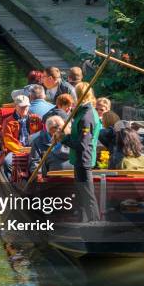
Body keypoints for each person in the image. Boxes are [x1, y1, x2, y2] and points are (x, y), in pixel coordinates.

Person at [60, 82, 101, 222]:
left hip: (84, 159)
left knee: (87, 194)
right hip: (79, 159)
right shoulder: (83, 112)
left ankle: (95, 223)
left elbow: (83, 145)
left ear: (77, 95)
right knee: (81, 193)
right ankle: (83, 221)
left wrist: (64, 139)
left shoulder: (86, 116)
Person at [1, 95, 42, 177]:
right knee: (7, 162)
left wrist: (33, 149)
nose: (24, 109)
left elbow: (41, 135)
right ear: (15, 107)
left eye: (26, 107)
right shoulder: (8, 121)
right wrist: (21, 150)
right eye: (21, 107)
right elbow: (8, 141)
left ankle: (36, 177)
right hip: (16, 150)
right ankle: (11, 182)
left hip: (34, 149)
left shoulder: (35, 119)